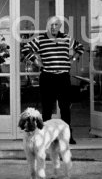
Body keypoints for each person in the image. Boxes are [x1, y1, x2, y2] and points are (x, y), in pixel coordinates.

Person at [21, 16, 84, 144]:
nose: (53, 27)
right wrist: (36, 61)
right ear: (47, 26)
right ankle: (45, 136)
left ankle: (67, 136)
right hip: (47, 77)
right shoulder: (41, 39)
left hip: (63, 77)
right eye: (51, 25)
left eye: (56, 25)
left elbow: (80, 47)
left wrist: (72, 59)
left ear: (60, 26)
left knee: (65, 108)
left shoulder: (66, 38)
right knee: (47, 109)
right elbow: (25, 49)